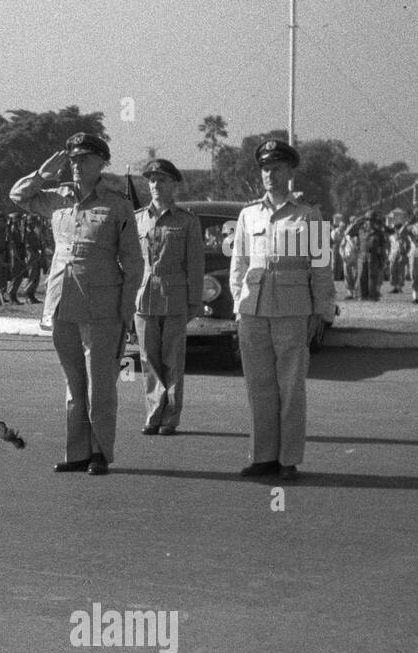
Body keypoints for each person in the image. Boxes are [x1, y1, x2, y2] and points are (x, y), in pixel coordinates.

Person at [10, 134, 142, 475]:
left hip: (102, 306)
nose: (76, 164)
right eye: (72, 159)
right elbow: (17, 196)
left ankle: (100, 452)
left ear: (101, 163)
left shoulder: (117, 205)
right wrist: (42, 174)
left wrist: (126, 311)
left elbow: (133, 261)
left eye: (84, 159)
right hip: (62, 301)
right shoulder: (58, 199)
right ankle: (78, 452)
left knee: (100, 384)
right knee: (73, 383)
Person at [229, 139, 335, 480]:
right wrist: (237, 307)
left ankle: (288, 459)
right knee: (258, 385)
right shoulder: (248, 214)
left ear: (289, 172)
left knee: (291, 386)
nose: (269, 175)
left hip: (293, 310)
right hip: (253, 309)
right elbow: (239, 264)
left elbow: (321, 267)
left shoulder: (309, 215)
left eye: (276, 168)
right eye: (265, 169)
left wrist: (320, 311)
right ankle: (263, 457)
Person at [133, 158, 204, 436]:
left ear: (174, 184)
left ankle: (170, 417)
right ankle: (153, 413)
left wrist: (194, 302)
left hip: (174, 297)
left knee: (172, 360)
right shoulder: (137, 218)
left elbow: (196, 265)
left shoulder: (187, 220)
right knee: (148, 360)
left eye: (161, 180)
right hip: (143, 296)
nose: (155, 185)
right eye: (151, 180)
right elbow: (129, 260)